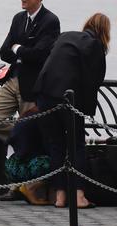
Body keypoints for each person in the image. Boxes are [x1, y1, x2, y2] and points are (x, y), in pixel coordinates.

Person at [0, 0, 60, 199]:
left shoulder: (50, 21)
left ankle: (19, 187)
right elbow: (4, 51)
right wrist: (22, 50)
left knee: (27, 131)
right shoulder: (18, 18)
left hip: (34, 84)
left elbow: (41, 53)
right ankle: (22, 136)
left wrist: (18, 48)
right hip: (13, 79)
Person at [34, 13, 109, 209]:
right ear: (105, 32)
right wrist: (87, 110)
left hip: (44, 95)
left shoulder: (65, 36)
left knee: (56, 145)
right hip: (68, 99)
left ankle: (60, 197)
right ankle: (78, 196)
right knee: (77, 145)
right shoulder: (94, 46)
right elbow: (94, 81)